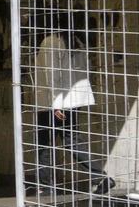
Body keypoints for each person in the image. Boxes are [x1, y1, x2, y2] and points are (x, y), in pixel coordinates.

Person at [31, 23, 109, 193]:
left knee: (44, 142)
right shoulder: (76, 42)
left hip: (54, 101)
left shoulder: (51, 42)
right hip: (72, 100)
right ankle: (100, 177)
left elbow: (52, 75)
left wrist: (57, 104)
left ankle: (45, 186)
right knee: (71, 140)